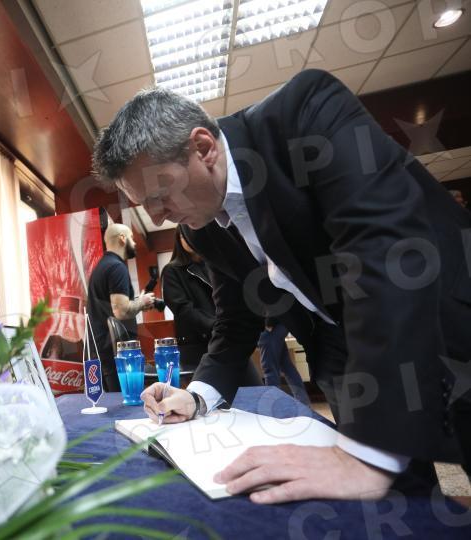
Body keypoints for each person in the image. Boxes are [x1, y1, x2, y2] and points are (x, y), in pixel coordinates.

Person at [92, 69, 471, 504]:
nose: (157, 217)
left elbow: (384, 251)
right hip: (352, 366)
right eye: (145, 205)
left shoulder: (305, 113)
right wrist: (197, 396)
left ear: (203, 148)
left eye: (160, 196)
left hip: (449, 327)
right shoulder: (203, 227)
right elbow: (236, 318)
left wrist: (365, 452)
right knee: (403, 506)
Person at [86, 223, 155, 391]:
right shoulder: (116, 267)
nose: (135, 242)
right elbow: (121, 311)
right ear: (122, 238)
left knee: (115, 401)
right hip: (118, 354)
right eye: (131, 237)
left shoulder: (102, 267)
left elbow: (112, 307)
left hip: (104, 349)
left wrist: (138, 303)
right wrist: (143, 301)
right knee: (127, 401)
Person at [161, 227, 215, 372]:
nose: (189, 238)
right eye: (183, 236)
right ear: (178, 240)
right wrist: (214, 325)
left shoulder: (213, 265)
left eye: (192, 233)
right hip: (195, 344)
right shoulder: (172, 270)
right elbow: (182, 309)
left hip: (222, 337)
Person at [258, 316, 310, 406]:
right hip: (280, 323)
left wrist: (268, 323)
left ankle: (273, 406)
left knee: (269, 368)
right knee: (286, 366)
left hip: (271, 326)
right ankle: (303, 403)